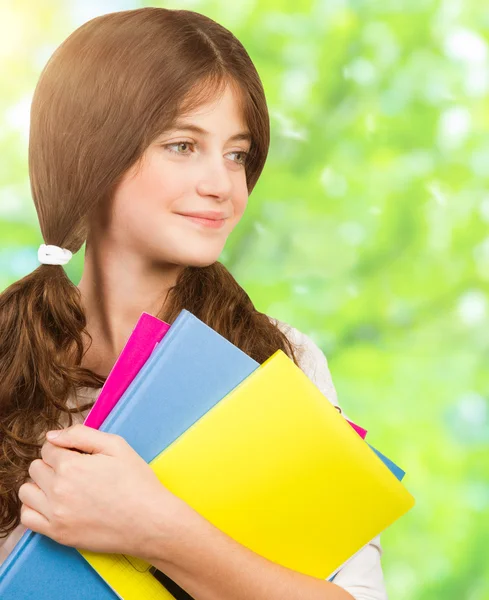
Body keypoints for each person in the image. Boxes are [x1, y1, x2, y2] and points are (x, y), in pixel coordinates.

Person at [0, 7, 387, 599]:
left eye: (237, 153)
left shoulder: (277, 358)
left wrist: (155, 529)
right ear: (91, 154)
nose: (223, 185)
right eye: (183, 145)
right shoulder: (9, 356)